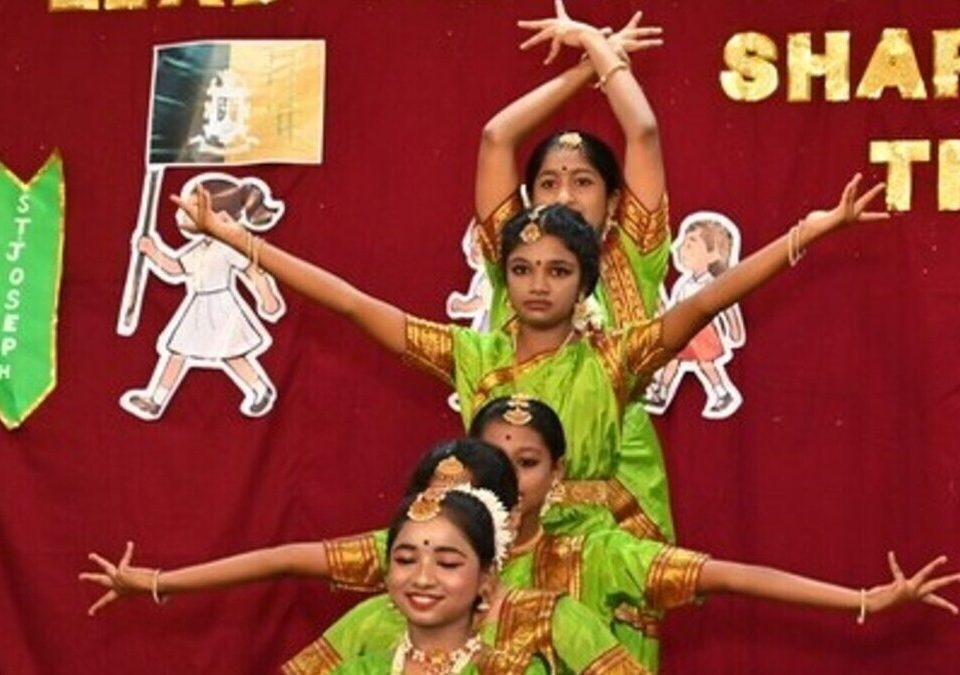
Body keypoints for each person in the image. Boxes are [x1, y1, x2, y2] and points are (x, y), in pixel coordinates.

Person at [173, 170, 890, 539]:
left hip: (595, 565)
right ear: (503, 277)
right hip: (487, 564)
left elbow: (704, 303)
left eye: (557, 271)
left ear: (585, 280)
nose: (537, 285)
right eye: (521, 269)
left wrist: (807, 234)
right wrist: (237, 241)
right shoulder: (470, 352)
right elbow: (353, 304)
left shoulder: (615, 358)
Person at [299, 396, 959, 674]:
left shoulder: (564, 601)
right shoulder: (376, 622)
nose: (423, 574)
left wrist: (861, 599)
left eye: (448, 560)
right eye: (408, 557)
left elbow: (721, 574)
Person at [474, 0, 675, 542]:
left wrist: (590, 38)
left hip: (622, 483)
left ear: (614, 202)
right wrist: (590, 64)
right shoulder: (514, 259)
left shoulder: (634, 254)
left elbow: (644, 131)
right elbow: (496, 137)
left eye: (582, 182)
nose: (564, 195)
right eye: (548, 183)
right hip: (516, 477)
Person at [120, 174, 285, 420]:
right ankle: (156, 400)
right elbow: (176, 268)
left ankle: (260, 389)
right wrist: (153, 252)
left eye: (193, 209)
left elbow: (252, 271)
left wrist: (267, 298)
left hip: (221, 308)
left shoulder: (229, 247)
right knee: (178, 352)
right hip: (198, 308)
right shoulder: (200, 249)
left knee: (231, 354)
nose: (183, 214)